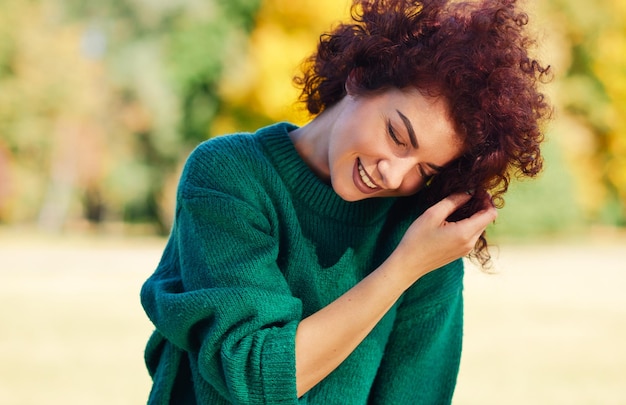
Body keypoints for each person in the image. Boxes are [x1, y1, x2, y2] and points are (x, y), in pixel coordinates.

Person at [140, 0, 551, 403]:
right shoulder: (229, 174)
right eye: (396, 135)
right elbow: (256, 377)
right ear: (360, 77)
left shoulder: (424, 234)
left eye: (424, 171)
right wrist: (403, 267)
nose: (393, 174)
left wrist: (418, 261)